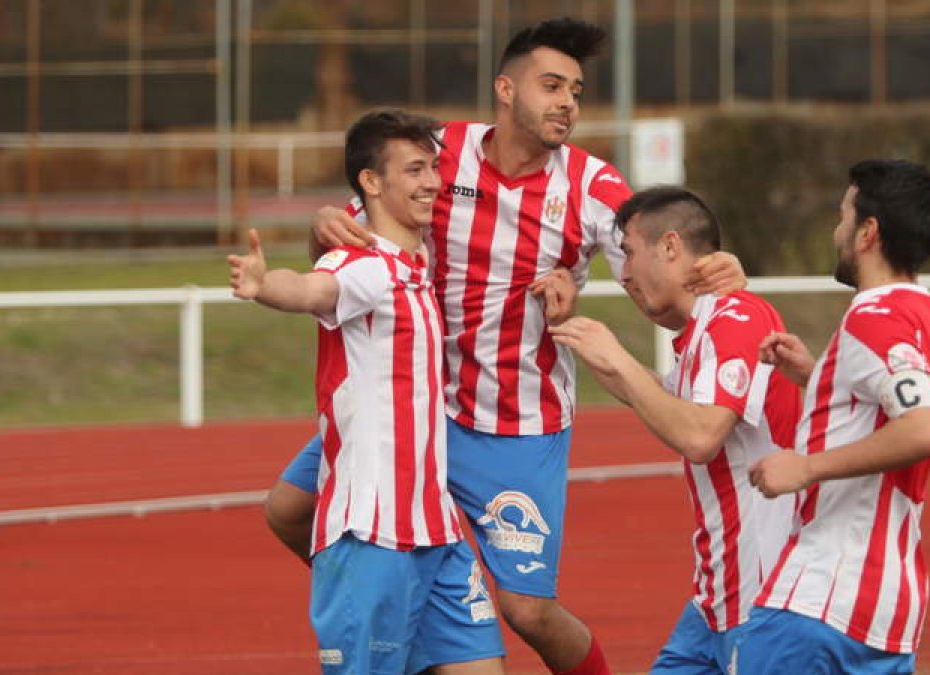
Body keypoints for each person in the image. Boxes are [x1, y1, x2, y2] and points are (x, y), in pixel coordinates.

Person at [265, 17, 746, 675]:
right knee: (289, 510)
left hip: (516, 424)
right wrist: (321, 229)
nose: (567, 103)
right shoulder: (441, 154)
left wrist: (710, 277)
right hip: (412, 412)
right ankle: (401, 614)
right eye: (551, 86)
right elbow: (349, 243)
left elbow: (655, 261)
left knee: (527, 610)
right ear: (505, 89)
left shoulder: (590, 185)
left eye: (576, 91)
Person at [228, 109, 505, 675]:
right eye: (414, 170)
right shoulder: (365, 267)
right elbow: (313, 288)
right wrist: (264, 286)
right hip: (372, 534)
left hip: (437, 533)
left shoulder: (416, 262)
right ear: (371, 183)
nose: (431, 181)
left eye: (433, 167)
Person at [548, 187, 802, 674]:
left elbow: (701, 436)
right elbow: (658, 397)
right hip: (716, 598)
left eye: (627, 253)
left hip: (761, 597)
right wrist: (574, 330)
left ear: (669, 247)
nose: (622, 274)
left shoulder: (736, 317)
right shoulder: (699, 334)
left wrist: (618, 358)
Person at [740, 159, 930, 673]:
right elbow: (894, 405)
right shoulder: (927, 316)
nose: (835, 230)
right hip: (888, 604)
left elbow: (924, 429)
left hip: (824, 597)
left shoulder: (873, 316)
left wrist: (805, 467)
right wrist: (818, 377)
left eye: (842, 216)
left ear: (868, 233)